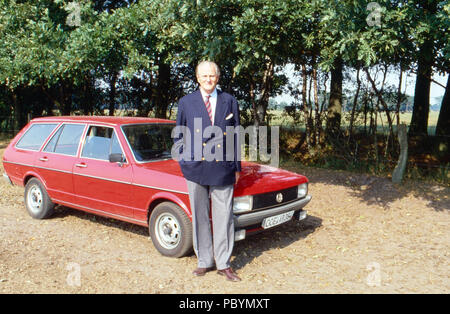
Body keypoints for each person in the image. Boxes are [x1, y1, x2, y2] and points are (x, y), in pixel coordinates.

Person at [174, 61, 242, 282]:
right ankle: (204, 260)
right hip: (195, 168)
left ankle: (223, 263)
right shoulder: (186, 102)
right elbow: (179, 134)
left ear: (218, 77)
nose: (208, 79)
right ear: (197, 78)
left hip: (223, 167)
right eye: (204, 76)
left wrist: (237, 166)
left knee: (224, 217)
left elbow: (236, 136)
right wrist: (185, 160)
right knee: (200, 216)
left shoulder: (229, 101)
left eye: (212, 75)